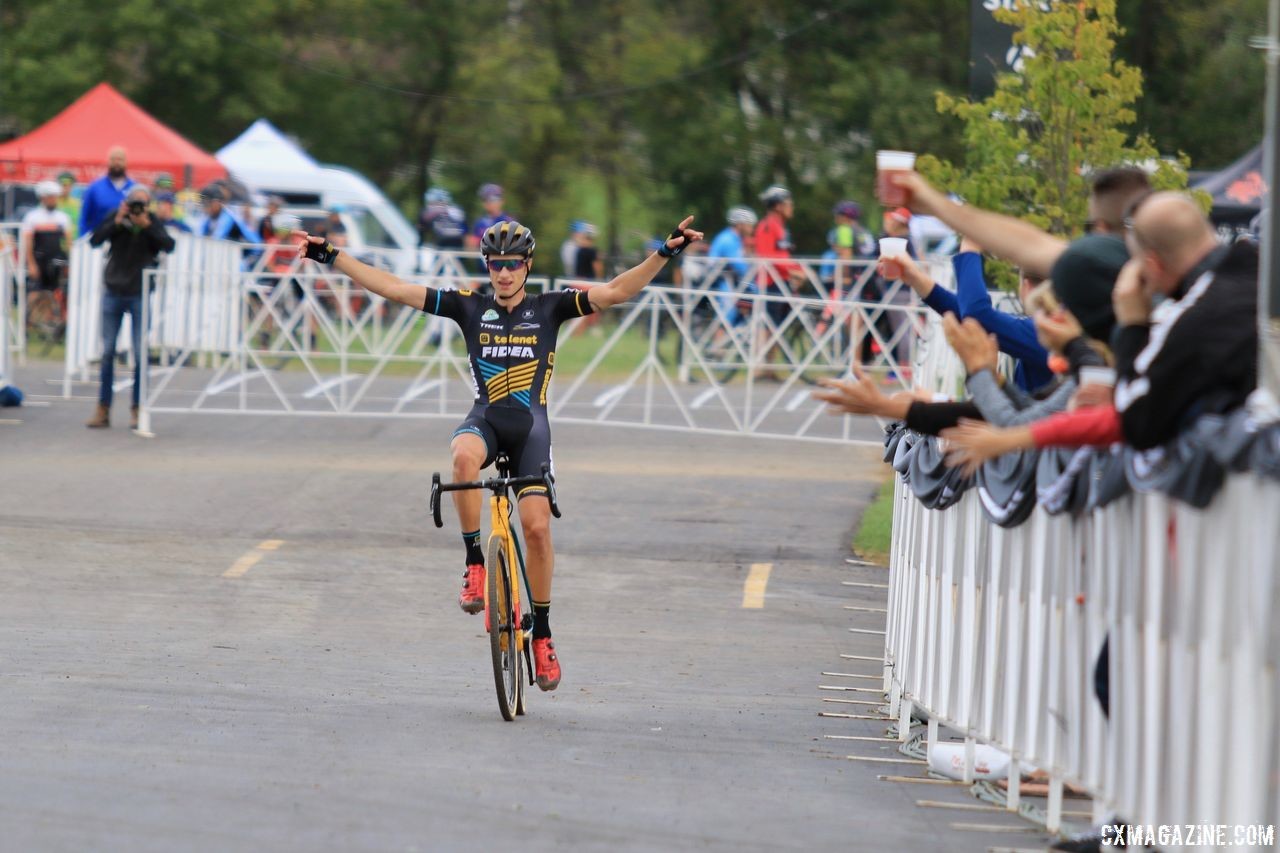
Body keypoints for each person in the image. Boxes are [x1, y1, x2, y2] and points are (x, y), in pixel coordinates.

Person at [291, 216, 703, 691]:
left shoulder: (550, 308)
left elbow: (614, 292)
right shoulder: (471, 308)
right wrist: (332, 256)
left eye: (512, 265)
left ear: (527, 266)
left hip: (530, 429)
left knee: (536, 530)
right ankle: (474, 562)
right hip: (486, 419)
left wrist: (665, 254)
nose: (503, 274)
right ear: (486, 266)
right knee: (462, 456)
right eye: (495, 264)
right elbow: (397, 289)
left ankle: (543, 634)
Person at [1111, 191, 1259, 449]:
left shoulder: (1197, 318)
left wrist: (1132, 325)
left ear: (1152, 265)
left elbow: (1136, 419)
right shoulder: (1263, 273)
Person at [85, 185, 175, 430]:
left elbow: (169, 245)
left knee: (140, 353)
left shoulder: (152, 221)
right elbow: (94, 240)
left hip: (139, 293)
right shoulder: (116, 216)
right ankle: (103, 409)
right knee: (107, 352)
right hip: (113, 290)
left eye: (141, 204)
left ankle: (138, 409)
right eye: (133, 203)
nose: (136, 208)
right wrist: (116, 221)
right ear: (126, 202)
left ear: (148, 206)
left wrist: (146, 225)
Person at [706, 206, 756, 328]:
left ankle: (736, 333)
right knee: (727, 314)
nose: (752, 228)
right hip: (719, 280)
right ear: (740, 225)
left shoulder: (734, 238)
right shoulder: (729, 239)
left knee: (750, 296)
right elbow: (740, 266)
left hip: (726, 277)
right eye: (749, 225)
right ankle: (718, 344)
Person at [21, 181, 72, 292]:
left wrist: (69, 263)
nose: (53, 199)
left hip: (57, 261)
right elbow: (28, 243)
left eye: (55, 197)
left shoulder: (63, 218)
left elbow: (68, 243)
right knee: (36, 293)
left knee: (56, 293)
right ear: (42, 198)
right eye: (50, 197)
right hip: (38, 260)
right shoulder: (32, 217)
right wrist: (31, 264)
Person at [79, 146, 136, 236]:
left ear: (126, 162)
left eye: (120, 159)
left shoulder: (135, 188)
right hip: (99, 243)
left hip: (127, 243)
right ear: (108, 161)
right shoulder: (94, 188)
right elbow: (84, 218)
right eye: (113, 159)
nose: (116, 163)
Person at [465, 183, 512, 252]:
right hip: (482, 260)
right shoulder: (480, 222)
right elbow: (471, 246)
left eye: (493, 199)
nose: (488, 203)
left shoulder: (508, 221)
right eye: (485, 199)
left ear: (502, 201)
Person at [55, 171, 81, 238]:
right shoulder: (51, 203)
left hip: (74, 242)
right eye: (64, 185)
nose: (66, 188)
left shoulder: (78, 203)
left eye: (69, 185)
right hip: (55, 243)